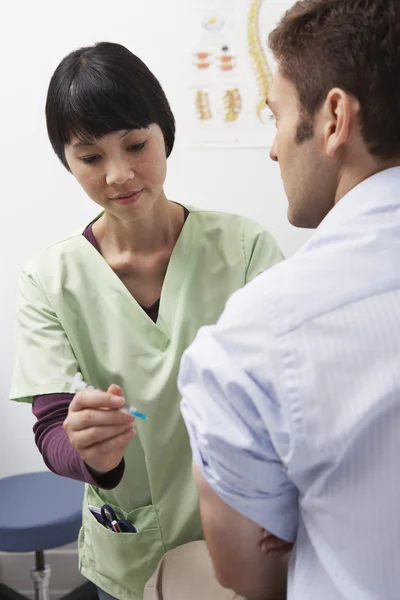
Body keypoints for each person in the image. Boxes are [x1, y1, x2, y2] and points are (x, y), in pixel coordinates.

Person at [9, 42, 283, 600]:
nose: (118, 174)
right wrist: (91, 453)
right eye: (90, 157)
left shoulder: (245, 247)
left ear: (166, 133)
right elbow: (52, 428)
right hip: (132, 550)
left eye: (136, 145)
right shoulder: (49, 280)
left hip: (247, 535)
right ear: (67, 160)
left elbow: (293, 388)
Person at [178, 0, 400, 599]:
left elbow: (251, 573)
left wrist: (295, 515)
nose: (273, 149)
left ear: (333, 119)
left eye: (275, 115)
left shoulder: (256, 336)